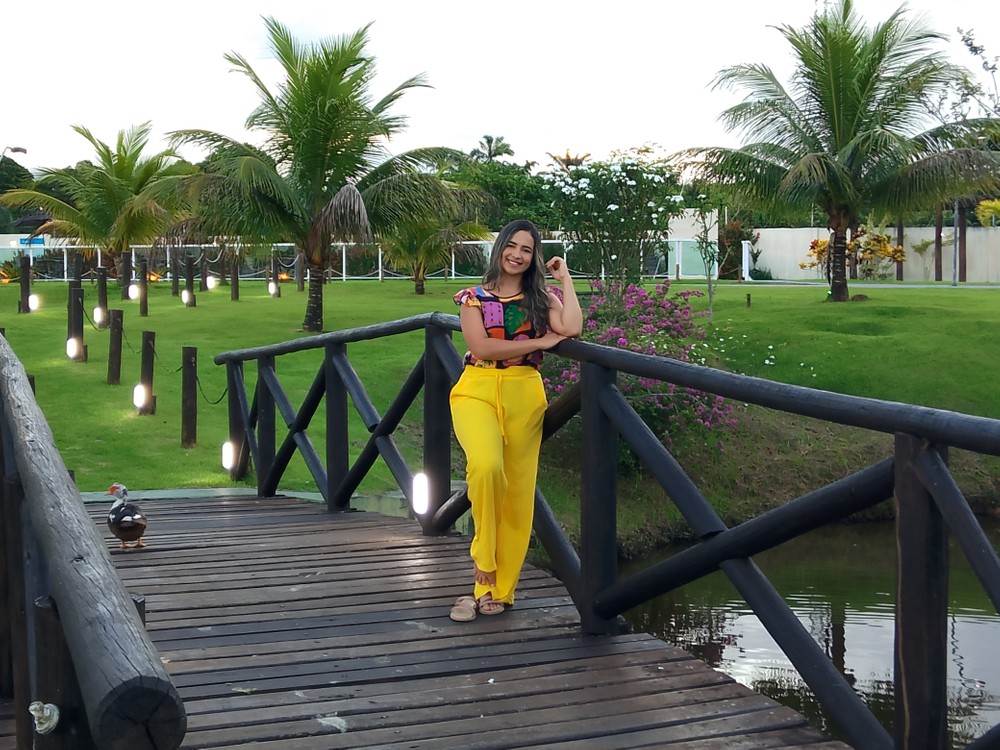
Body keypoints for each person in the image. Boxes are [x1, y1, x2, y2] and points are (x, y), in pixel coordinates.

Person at [448, 220, 582, 621]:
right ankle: (483, 558)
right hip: (477, 388)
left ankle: (497, 591)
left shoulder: (540, 298)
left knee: (518, 494)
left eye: (527, 249)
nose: (518, 255)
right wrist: (539, 342)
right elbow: (481, 346)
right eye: (512, 245)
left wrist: (565, 279)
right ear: (500, 248)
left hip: (524, 393)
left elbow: (572, 327)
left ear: (534, 256)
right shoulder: (473, 298)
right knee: (486, 467)